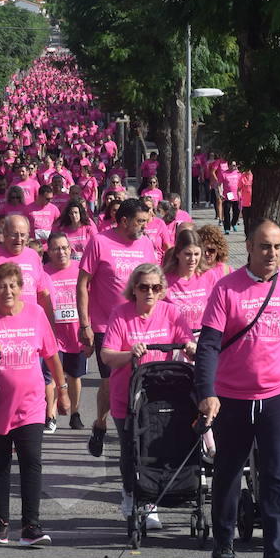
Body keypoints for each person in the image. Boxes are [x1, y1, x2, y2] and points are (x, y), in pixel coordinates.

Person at [195, 219, 280, 558]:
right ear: (249, 246)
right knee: (229, 470)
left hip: (279, 394)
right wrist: (207, 392)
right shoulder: (226, 288)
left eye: (278, 247)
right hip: (232, 396)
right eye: (265, 246)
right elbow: (209, 346)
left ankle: (276, 555)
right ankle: (224, 539)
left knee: (277, 474)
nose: (272, 254)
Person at [0, 262, 68, 547]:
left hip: (31, 404)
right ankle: (1, 524)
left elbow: (51, 355)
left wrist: (63, 389)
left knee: (32, 461)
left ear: (21, 288)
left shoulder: (36, 313)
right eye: (1, 286)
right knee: (0, 465)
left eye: (13, 286)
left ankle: (31, 526)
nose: (7, 291)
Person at [101, 263, 195, 526]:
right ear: (134, 289)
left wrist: (190, 346)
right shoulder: (121, 315)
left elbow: (189, 344)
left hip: (160, 396)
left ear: (162, 289)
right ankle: (131, 493)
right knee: (131, 449)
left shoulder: (171, 313)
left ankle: (151, 500)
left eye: (155, 287)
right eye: (143, 287)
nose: (149, 292)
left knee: (156, 448)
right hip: (127, 396)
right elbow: (106, 355)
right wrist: (130, 353)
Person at [78, 198, 162, 458]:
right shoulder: (100, 242)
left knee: (142, 381)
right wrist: (85, 325)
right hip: (107, 325)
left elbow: (156, 282)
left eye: (146, 222)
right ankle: (101, 423)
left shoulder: (146, 244)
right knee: (109, 383)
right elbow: (83, 284)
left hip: (141, 326)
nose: (144, 227)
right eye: (140, 221)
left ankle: (139, 432)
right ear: (123, 220)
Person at [45, 232, 87, 429]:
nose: (61, 252)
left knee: (74, 376)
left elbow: (91, 300)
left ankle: (75, 413)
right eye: (56, 248)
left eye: (64, 248)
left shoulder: (81, 270)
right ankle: (50, 415)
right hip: (52, 334)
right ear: (49, 251)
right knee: (52, 376)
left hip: (76, 332)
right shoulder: (43, 273)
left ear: (70, 249)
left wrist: (90, 330)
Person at [162, 230, 216, 334]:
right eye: (188, 254)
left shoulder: (209, 276)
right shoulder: (164, 279)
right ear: (177, 253)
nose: (192, 259)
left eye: (196, 254)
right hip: (174, 340)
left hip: (202, 338)